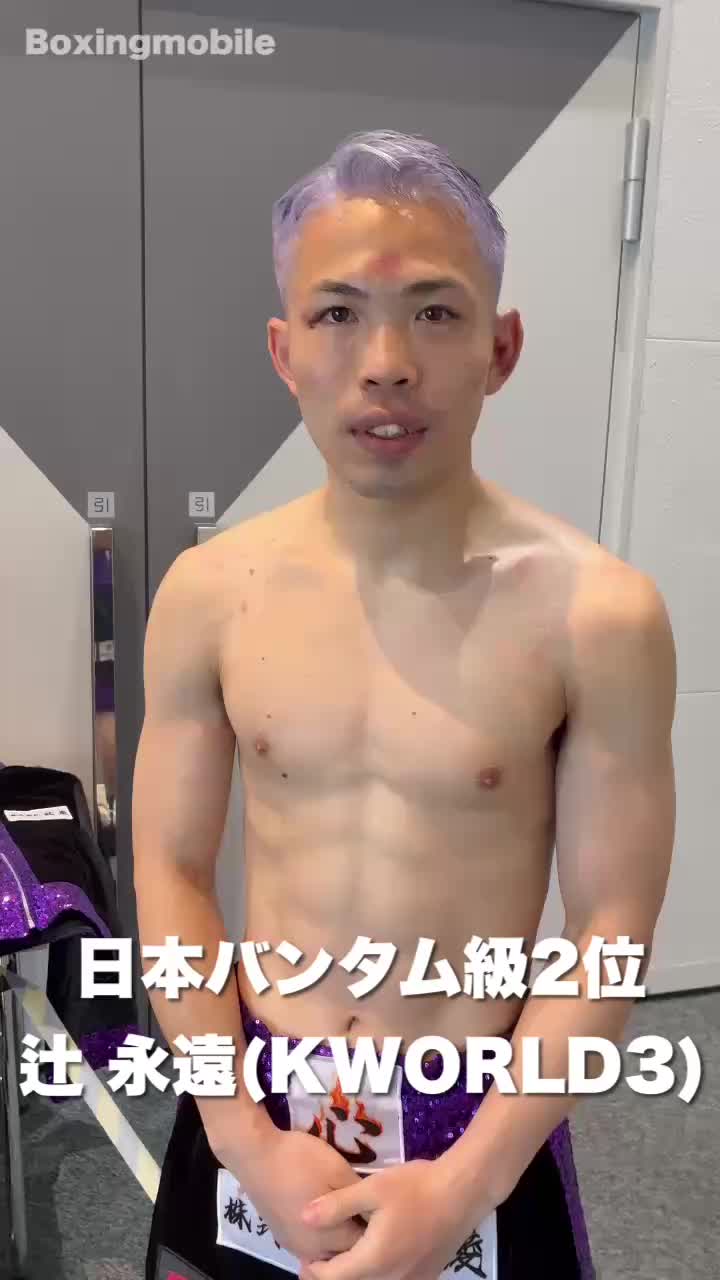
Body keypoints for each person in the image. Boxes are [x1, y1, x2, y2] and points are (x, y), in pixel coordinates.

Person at [134, 130, 677, 1280]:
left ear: (500, 346)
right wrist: (240, 1132)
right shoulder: (209, 593)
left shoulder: (598, 614)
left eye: (435, 312)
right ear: (285, 350)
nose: (385, 363)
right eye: (337, 314)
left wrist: (468, 1179)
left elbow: (610, 932)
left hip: (476, 1115)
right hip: (255, 1096)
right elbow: (172, 871)